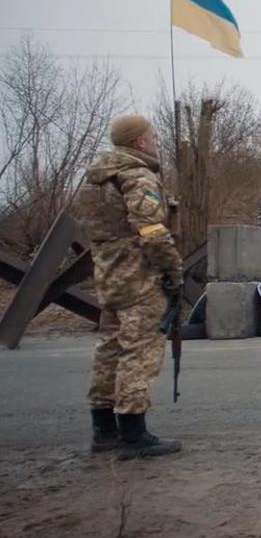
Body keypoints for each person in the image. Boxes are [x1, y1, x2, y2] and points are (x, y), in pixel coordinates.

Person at [78, 114, 184, 459]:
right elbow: (151, 230)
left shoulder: (96, 179)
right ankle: (134, 435)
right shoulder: (138, 176)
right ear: (139, 142)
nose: (155, 141)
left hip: (108, 275)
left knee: (108, 349)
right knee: (139, 352)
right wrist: (172, 269)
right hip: (139, 278)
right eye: (152, 137)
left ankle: (103, 430)